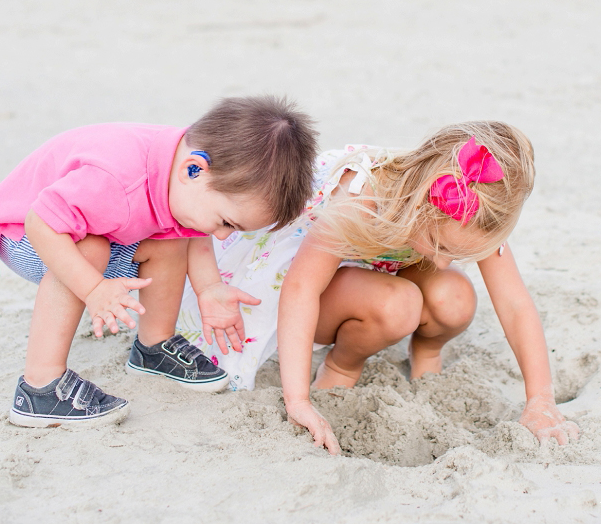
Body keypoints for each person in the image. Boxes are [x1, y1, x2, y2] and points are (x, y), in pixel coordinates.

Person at [176, 121, 579, 454]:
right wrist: (297, 401)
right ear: (423, 203)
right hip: (304, 275)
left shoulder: (476, 209)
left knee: (454, 296)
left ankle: (427, 349)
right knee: (398, 303)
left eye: (455, 254)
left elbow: (514, 303)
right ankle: (341, 365)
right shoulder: (361, 193)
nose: (441, 262)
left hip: (371, 269)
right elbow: (301, 289)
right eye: (440, 246)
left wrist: (540, 400)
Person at [0, 96, 318, 428]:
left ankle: (153, 348)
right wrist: (94, 289)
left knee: (169, 241)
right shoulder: (117, 181)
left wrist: (210, 288)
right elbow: (39, 223)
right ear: (194, 170)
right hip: (23, 235)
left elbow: (191, 232)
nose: (223, 236)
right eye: (226, 222)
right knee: (92, 249)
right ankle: (39, 387)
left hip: (79, 225)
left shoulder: (188, 174)